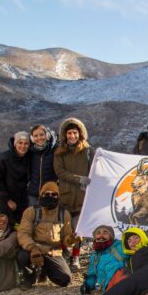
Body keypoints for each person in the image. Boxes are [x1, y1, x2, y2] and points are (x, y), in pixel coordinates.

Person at [16, 181, 77, 289]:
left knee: (65, 280)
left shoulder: (64, 214)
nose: (50, 196)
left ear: (58, 196)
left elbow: (66, 238)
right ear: (41, 195)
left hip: (53, 252)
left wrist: (71, 240)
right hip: (35, 249)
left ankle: (44, 271)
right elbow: (23, 234)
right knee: (22, 256)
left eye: (54, 194)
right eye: (46, 194)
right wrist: (33, 248)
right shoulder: (31, 212)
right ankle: (28, 278)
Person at [54, 117, 93, 273]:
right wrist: (79, 179)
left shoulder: (88, 151)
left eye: (74, 133)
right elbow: (60, 172)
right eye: (69, 133)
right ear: (65, 135)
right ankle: (64, 251)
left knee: (78, 229)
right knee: (63, 228)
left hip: (82, 197)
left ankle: (75, 256)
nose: (72, 136)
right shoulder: (59, 153)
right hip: (65, 196)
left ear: (80, 134)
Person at [0, 131, 30, 225]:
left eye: (26, 143)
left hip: (21, 199)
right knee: (4, 224)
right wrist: (8, 200)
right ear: (15, 144)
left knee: (19, 225)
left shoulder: (29, 158)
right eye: (20, 143)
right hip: (4, 199)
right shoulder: (4, 158)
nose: (23, 146)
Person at [80, 225, 129, 294]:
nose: (101, 236)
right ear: (95, 237)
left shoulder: (121, 247)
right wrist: (88, 285)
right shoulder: (95, 255)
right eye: (98, 233)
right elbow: (92, 274)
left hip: (121, 283)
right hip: (107, 289)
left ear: (111, 236)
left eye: (105, 233)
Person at [27, 124, 58, 207]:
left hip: (50, 195)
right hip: (33, 195)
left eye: (41, 135)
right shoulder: (30, 152)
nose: (39, 138)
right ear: (32, 138)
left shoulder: (55, 150)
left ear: (47, 135)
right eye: (35, 136)